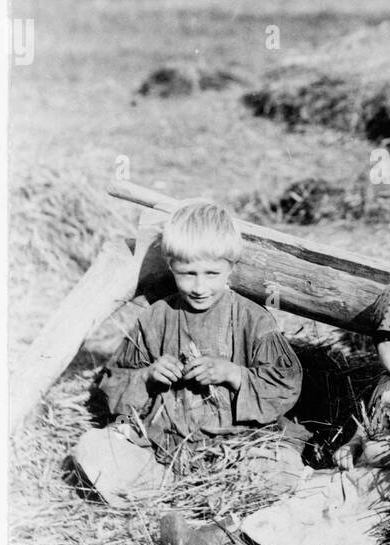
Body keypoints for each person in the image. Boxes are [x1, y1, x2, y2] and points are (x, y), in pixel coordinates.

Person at [156, 274, 390, 545]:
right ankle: (207, 543)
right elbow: (371, 425)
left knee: (334, 531)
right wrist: (353, 445)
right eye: (387, 338)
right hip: (360, 481)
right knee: (301, 499)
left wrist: (389, 454)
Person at [70, 199, 303, 506]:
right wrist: (150, 375)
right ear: (171, 266)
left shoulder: (253, 319)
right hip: (162, 447)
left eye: (211, 273)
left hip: (237, 447)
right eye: (188, 273)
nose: (199, 286)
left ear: (231, 267)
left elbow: (285, 383)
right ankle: (180, 496)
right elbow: (115, 381)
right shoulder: (157, 317)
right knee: (93, 450)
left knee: (280, 471)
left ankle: (207, 509)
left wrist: (234, 374)